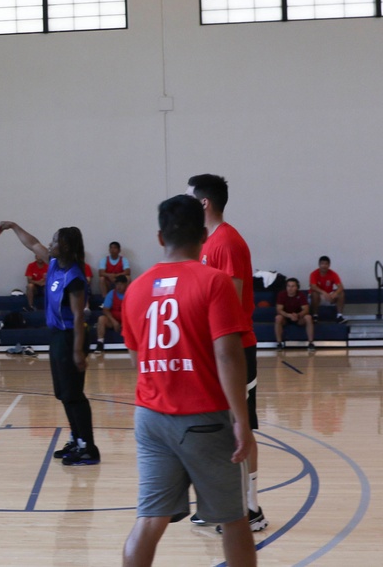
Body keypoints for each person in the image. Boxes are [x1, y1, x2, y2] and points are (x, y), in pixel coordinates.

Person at [120, 195, 256, 567]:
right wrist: (242, 422)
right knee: (234, 521)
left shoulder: (135, 288)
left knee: (148, 520)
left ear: (160, 237)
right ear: (203, 237)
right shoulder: (214, 282)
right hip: (203, 418)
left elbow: (138, 359)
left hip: (149, 416)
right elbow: (228, 355)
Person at [186, 173, 267, 531]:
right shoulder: (203, 243)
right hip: (210, 352)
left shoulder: (227, 243)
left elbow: (231, 308)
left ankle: (251, 508)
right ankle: (220, 504)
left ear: (204, 203)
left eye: (190, 197)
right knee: (217, 431)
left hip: (235, 352)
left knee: (240, 426)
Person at [0, 221, 99, 465]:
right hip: (58, 337)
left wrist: (77, 351)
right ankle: (76, 439)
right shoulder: (54, 264)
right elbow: (32, 242)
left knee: (74, 395)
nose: (49, 244)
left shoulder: (74, 276)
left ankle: (88, 447)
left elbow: (77, 316)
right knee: (64, 394)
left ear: (64, 247)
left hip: (71, 337)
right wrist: (14, 226)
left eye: (54, 241)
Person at [275, 277, 315, 350]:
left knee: (308, 317)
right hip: (286, 317)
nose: (290, 288)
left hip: (298, 317)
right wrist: (288, 315)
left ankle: (311, 343)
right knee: (278, 318)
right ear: (286, 287)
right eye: (288, 286)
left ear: (297, 287)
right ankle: (279, 343)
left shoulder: (301, 295)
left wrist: (298, 315)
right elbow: (279, 309)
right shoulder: (282, 294)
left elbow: (306, 309)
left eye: (293, 286)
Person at [94, 274, 128, 353]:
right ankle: (100, 343)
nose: (118, 287)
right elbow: (105, 310)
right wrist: (113, 321)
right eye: (117, 284)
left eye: (121, 284)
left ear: (126, 284)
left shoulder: (131, 293)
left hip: (127, 320)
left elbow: (133, 311)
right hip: (114, 320)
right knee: (101, 319)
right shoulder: (111, 294)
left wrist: (125, 322)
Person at [309, 256, 346, 322]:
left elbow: (341, 286)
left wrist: (335, 293)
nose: (324, 266)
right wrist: (323, 293)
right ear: (319, 264)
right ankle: (315, 316)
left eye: (326, 264)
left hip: (329, 295)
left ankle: (339, 316)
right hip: (318, 296)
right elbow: (313, 286)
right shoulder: (314, 274)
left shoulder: (333, 274)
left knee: (341, 294)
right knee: (314, 293)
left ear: (329, 265)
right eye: (322, 263)